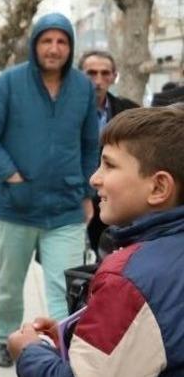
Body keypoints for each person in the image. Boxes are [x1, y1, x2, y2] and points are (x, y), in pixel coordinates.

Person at [6, 106, 184, 377]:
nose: (95, 178)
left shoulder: (133, 277)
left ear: (158, 187)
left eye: (109, 165)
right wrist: (75, 333)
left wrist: (29, 353)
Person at [0, 14, 99, 368]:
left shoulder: (82, 88)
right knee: (10, 284)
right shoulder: (10, 84)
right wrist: (11, 176)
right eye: (47, 41)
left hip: (66, 207)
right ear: (35, 44)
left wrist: (88, 192)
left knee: (66, 284)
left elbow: (90, 144)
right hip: (16, 207)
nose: (54, 48)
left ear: (71, 46)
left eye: (62, 42)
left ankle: (61, 345)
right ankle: (5, 338)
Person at [78, 50, 138, 254]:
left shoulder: (129, 111)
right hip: (75, 198)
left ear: (114, 76)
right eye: (91, 73)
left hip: (115, 200)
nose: (98, 80)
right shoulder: (65, 112)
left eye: (105, 73)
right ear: (79, 75)